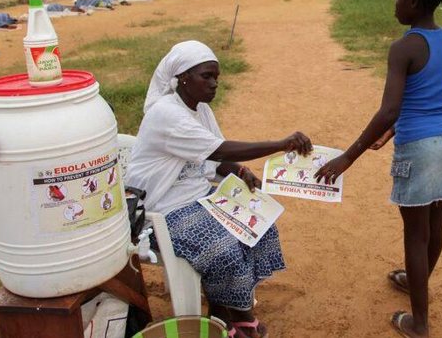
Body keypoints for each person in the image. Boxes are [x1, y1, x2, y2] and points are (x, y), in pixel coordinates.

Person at [314, 0, 442, 338]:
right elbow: (430, 98)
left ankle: (419, 323)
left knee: (415, 236)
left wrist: (348, 157)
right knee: (435, 227)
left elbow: (389, 110)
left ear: (414, 0)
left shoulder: (403, 48)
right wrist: (395, 129)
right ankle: (418, 283)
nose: (395, 3)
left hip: (419, 149)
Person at [125, 40, 313, 338]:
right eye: (206, 76)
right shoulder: (166, 114)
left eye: (217, 78)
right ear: (183, 77)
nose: (214, 84)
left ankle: (225, 312)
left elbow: (215, 158)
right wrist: (282, 143)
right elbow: (220, 149)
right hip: (163, 210)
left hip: (201, 198)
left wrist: (238, 169)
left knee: (258, 227)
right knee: (223, 248)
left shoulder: (199, 110)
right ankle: (237, 316)